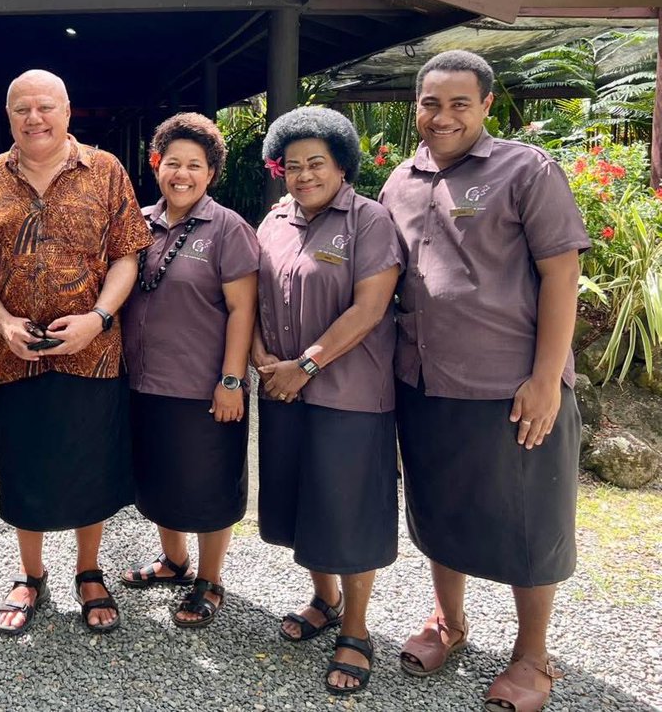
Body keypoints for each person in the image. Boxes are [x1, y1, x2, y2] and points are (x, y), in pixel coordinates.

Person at [379, 51, 589, 712]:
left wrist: (546, 378)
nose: (442, 116)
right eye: (430, 102)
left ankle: (532, 654)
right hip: (425, 381)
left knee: (530, 519)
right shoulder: (399, 181)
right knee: (440, 508)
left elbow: (561, 274)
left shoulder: (525, 170)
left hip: (510, 384)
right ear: (416, 105)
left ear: (486, 106)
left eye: (458, 103)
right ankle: (451, 621)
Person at [0, 69, 151, 636]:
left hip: (93, 349)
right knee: (24, 464)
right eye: (21, 109)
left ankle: (89, 571)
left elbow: (126, 257)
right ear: (8, 115)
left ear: (67, 110)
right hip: (17, 353)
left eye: (45, 107)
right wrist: (2, 321)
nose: (34, 119)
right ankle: (31, 575)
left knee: (92, 462)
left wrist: (98, 319)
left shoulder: (106, 172)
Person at [253, 106, 403, 695]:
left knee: (348, 508)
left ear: (342, 165)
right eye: (293, 166)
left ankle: (358, 631)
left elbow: (369, 309)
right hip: (284, 390)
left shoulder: (370, 221)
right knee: (304, 501)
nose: (305, 175)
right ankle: (325, 598)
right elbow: (251, 297)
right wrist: (264, 360)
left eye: (317, 163)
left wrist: (306, 364)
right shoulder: (273, 223)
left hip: (350, 392)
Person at [117, 113, 258, 628]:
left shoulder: (229, 229)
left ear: (211, 172)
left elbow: (244, 309)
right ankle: (174, 561)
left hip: (204, 384)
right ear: (156, 165)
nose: (182, 173)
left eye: (194, 165)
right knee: (158, 477)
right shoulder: (139, 223)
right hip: (144, 380)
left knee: (209, 482)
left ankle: (210, 578)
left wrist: (231, 379)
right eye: (172, 162)